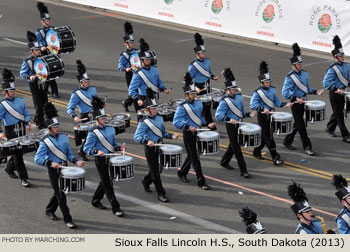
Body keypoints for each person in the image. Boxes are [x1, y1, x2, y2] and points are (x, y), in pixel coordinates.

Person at [35, 102, 85, 229]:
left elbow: (68, 154)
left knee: (58, 192)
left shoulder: (63, 137)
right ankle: (68, 219)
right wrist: (51, 163)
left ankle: (49, 209)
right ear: (49, 128)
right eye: (55, 126)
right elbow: (38, 159)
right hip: (53, 170)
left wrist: (76, 161)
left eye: (58, 125)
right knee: (61, 195)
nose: (57, 128)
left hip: (65, 169)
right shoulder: (45, 141)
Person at [134, 88, 179, 202]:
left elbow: (162, 133)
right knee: (155, 172)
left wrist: (171, 136)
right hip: (150, 148)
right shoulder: (143, 122)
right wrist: (147, 141)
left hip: (160, 145)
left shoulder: (159, 118)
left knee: (158, 169)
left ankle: (146, 181)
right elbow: (137, 137)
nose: (154, 110)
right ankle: (161, 193)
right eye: (152, 109)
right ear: (147, 109)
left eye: (155, 108)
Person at [83, 96, 126, 216]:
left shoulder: (110, 129)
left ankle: (95, 200)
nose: (104, 120)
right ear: (96, 119)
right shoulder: (93, 133)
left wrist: (119, 148)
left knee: (105, 180)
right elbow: (87, 149)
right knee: (108, 183)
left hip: (110, 158)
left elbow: (113, 145)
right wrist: (97, 152)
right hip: (100, 159)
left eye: (105, 117)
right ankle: (115, 207)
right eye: (102, 118)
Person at [173, 72, 216, 190]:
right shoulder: (182, 107)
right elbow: (176, 122)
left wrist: (208, 124)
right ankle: (201, 181)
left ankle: (182, 172)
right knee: (195, 158)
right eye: (192, 93)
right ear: (187, 94)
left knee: (192, 155)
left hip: (198, 132)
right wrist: (188, 126)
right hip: (188, 133)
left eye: (194, 93)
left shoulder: (198, 103)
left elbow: (200, 119)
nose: (194, 95)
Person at [282, 43, 324, 156]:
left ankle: (287, 141)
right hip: (295, 103)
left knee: (297, 124)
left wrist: (315, 92)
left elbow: (306, 88)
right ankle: (307, 147)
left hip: (304, 101)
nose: (300, 65)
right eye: (298, 64)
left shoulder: (305, 74)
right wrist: (296, 98)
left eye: (301, 63)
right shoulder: (290, 77)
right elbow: (285, 93)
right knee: (301, 126)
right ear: (293, 65)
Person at [215, 68, 255, 178]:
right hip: (231, 125)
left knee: (234, 144)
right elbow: (218, 116)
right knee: (237, 148)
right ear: (228, 89)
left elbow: (241, 112)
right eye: (233, 89)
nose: (235, 90)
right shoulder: (224, 101)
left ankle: (224, 161)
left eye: (235, 88)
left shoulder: (239, 97)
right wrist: (229, 119)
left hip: (239, 123)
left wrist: (248, 114)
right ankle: (243, 170)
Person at [250, 61, 288, 166]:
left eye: (269, 82)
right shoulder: (257, 92)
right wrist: (262, 109)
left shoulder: (273, 89)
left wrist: (285, 104)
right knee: (269, 137)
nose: (268, 84)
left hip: (271, 114)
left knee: (265, 135)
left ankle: (256, 151)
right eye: (266, 82)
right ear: (261, 83)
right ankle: (275, 157)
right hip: (263, 116)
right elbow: (253, 105)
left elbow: (276, 102)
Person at [0, 69, 31, 187]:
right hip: (11, 131)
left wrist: (27, 123)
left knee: (19, 152)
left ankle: (9, 168)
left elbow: (26, 113)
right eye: (10, 91)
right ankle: (24, 178)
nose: (13, 92)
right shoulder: (2, 105)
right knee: (18, 154)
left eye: (14, 90)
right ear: (5, 92)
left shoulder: (20, 100)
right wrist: (0, 132)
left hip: (21, 129)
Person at [67, 60, 97, 161]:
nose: (87, 83)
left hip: (96, 114)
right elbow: (69, 108)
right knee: (89, 135)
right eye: (85, 81)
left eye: (88, 81)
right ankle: (82, 151)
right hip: (85, 116)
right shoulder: (76, 93)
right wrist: (74, 116)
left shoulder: (93, 89)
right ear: (80, 82)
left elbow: (96, 100)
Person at [128, 38, 169, 111]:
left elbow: (158, 81)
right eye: (147, 59)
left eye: (149, 59)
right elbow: (131, 89)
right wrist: (138, 99)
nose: (149, 61)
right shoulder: (138, 73)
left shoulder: (155, 69)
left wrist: (164, 88)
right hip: (143, 98)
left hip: (155, 97)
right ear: (141, 60)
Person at [323, 35, 350, 143]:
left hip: (343, 92)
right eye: (340, 55)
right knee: (339, 114)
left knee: (337, 111)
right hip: (335, 93)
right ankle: (345, 135)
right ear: (335, 57)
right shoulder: (332, 69)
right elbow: (326, 83)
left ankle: (330, 128)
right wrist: (335, 89)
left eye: (342, 54)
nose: (342, 57)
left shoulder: (346, 66)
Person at [188, 33, 219, 124]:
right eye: (202, 52)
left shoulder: (207, 61)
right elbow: (189, 80)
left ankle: (204, 120)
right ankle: (208, 122)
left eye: (205, 52)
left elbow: (209, 72)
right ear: (198, 54)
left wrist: (214, 77)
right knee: (202, 105)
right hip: (199, 86)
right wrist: (195, 88)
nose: (204, 54)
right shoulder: (193, 66)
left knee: (208, 103)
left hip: (208, 84)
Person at [20, 31, 48, 129]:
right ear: (31, 51)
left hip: (43, 83)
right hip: (34, 84)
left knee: (45, 103)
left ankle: (38, 118)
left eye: (38, 49)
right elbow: (22, 74)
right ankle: (40, 124)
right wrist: (29, 77)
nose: (38, 51)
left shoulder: (43, 58)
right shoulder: (27, 61)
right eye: (36, 50)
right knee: (39, 105)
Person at [35, 2, 59, 98]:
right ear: (42, 21)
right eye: (46, 20)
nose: (48, 21)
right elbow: (40, 42)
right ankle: (52, 91)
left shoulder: (53, 28)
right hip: (45, 53)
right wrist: (42, 47)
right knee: (48, 73)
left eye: (49, 19)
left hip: (53, 53)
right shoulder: (39, 31)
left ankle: (50, 90)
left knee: (52, 72)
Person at [118, 21, 138, 112]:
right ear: (126, 43)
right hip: (129, 74)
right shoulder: (124, 54)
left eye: (132, 42)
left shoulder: (137, 51)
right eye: (130, 43)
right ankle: (129, 104)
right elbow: (120, 66)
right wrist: (126, 68)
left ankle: (127, 103)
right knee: (134, 91)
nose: (132, 44)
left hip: (138, 73)